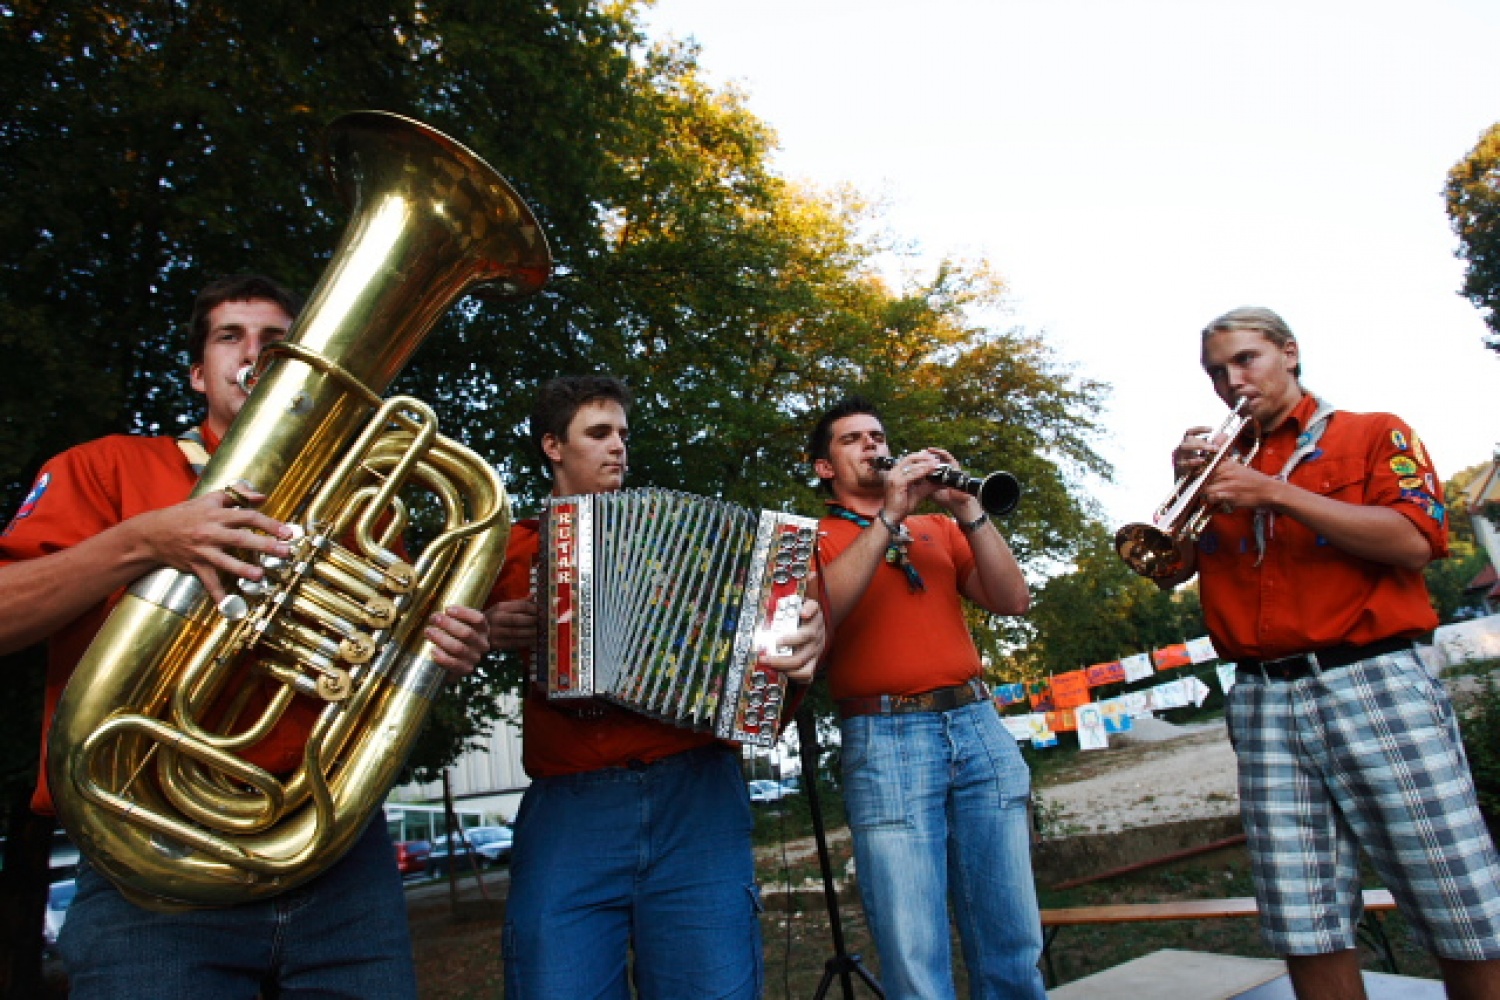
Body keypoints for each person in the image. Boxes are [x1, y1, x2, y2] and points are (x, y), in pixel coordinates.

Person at [0, 274, 492, 999]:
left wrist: (436, 651)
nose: (256, 355)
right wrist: (146, 542)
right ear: (199, 372)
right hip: (149, 854)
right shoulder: (104, 468)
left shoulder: (366, 501)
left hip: (330, 848)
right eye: (231, 337)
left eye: (280, 342)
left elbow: (367, 668)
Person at [1155, 306, 1500, 1000]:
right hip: (1259, 696)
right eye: (1216, 371)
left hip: (1371, 679)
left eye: (1246, 359)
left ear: (1289, 352)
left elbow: (1414, 542)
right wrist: (1181, 495)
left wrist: (1277, 493)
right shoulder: (1223, 464)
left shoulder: (1373, 433)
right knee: (1303, 919)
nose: (1231, 381)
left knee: (1458, 900)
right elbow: (1167, 569)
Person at [484, 375, 827, 1000]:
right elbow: (438, 645)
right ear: (553, 446)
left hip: (696, 795)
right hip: (571, 805)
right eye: (598, 433)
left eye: (623, 434)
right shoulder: (511, 548)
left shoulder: (693, 543)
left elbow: (770, 651)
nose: (618, 446)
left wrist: (802, 641)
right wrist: (487, 628)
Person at [808, 396, 1046, 1000]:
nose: (871, 445)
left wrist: (969, 511)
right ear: (824, 468)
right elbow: (822, 608)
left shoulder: (938, 527)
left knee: (1014, 940)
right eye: (852, 439)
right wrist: (888, 517)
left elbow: (1013, 600)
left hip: (975, 722)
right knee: (916, 956)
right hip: (888, 739)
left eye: (878, 435)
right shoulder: (811, 540)